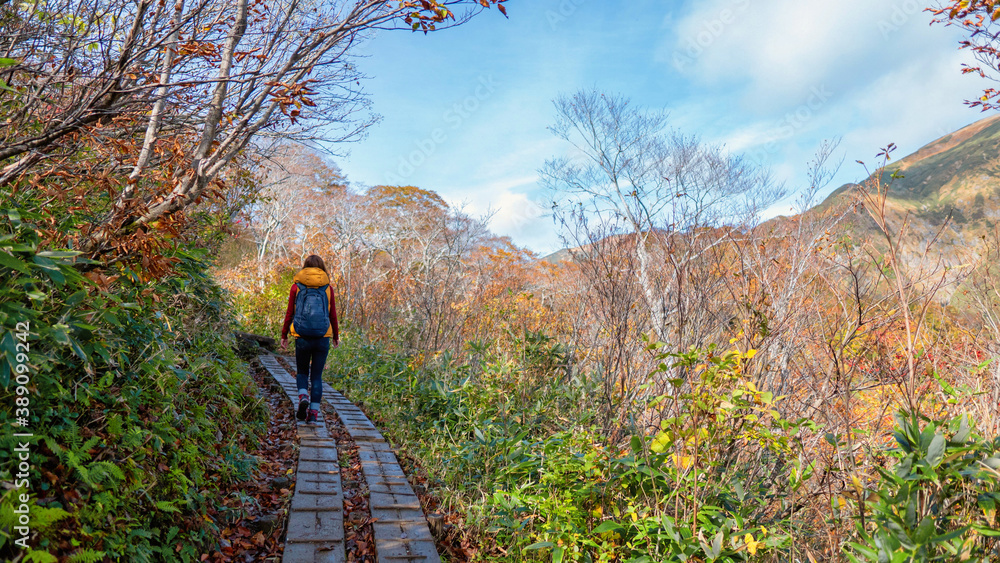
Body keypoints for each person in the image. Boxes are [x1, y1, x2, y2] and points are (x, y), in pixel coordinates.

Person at [280, 255, 339, 423]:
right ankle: (313, 414)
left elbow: (289, 313)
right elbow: (332, 315)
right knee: (317, 377)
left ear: (305, 267)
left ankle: (303, 396)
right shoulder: (328, 288)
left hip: (302, 336)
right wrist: (336, 335)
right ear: (322, 268)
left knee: (302, 372)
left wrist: (284, 335)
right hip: (322, 336)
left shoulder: (296, 287)